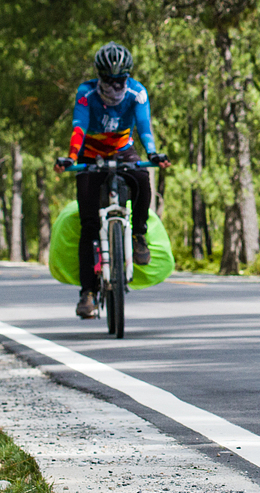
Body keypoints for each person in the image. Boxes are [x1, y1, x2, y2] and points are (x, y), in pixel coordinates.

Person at [55, 42, 169, 319]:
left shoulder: (137, 93)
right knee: (89, 226)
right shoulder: (86, 94)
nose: (115, 87)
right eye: (109, 80)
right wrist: (71, 157)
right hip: (90, 154)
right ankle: (87, 293)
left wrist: (152, 154)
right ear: (99, 77)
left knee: (141, 178)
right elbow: (79, 126)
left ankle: (138, 234)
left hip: (123, 149)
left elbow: (144, 126)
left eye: (121, 80)